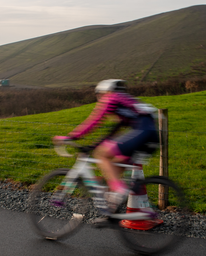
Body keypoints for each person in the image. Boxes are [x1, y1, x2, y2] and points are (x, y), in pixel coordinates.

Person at [54, 79, 159, 216]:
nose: (100, 99)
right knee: (114, 166)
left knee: (101, 154)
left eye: (99, 95)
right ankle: (112, 211)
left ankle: (119, 192)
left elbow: (95, 120)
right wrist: (93, 145)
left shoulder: (111, 98)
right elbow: (112, 133)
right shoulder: (124, 104)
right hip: (151, 135)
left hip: (143, 132)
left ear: (105, 91)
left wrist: (72, 137)